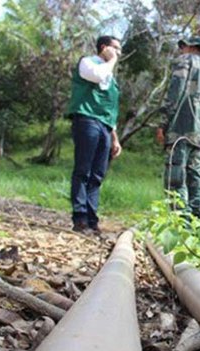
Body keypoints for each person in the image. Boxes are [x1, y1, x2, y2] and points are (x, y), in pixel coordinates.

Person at [156, 37, 200, 218]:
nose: (181, 50)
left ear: (191, 47)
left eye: (183, 46)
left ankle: (180, 224)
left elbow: (174, 93)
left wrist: (163, 123)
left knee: (176, 177)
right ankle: (198, 224)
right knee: (197, 177)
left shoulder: (185, 62)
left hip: (180, 129)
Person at [65, 35, 123, 233]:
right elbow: (97, 76)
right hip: (86, 120)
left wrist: (115, 138)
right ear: (104, 47)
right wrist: (112, 60)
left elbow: (110, 109)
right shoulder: (88, 63)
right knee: (83, 170)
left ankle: (92, 219)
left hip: (105, 126)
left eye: (119, 50)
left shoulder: (111, 77)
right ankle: (80, 218)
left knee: (97, 174)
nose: (118, 53)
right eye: (115, 48)